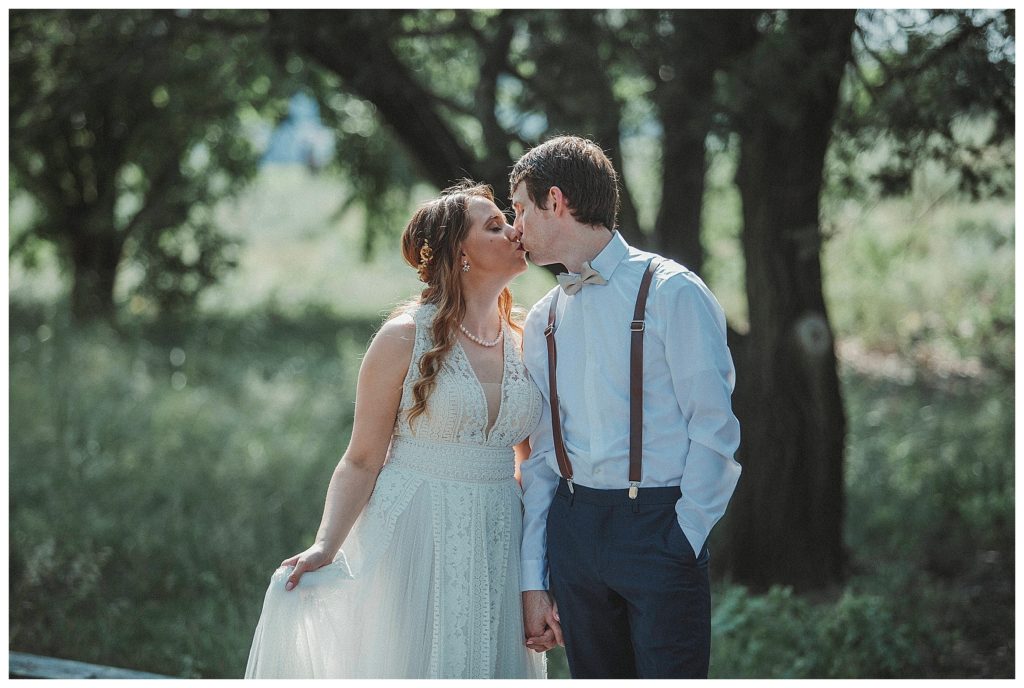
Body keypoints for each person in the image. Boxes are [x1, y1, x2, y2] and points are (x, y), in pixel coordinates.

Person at [245, 181, 549, 679]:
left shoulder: (525, 339)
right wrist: (326, 545)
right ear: (460, 253)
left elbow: (529, 463)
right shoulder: (404, 338)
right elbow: (362, 459)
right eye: (494, 225)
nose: (514, 230)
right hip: (416, 530)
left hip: (499, 536)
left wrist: (537, 571)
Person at [511, 136, 742, 678]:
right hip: (574, 533)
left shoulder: (672, 292)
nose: (514, 226)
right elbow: (542, 457)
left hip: (659, 528)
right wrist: (534, 577)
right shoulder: (544, 316)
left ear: (557, 201)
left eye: (520, 207)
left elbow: (714, 428)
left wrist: (684, 534)